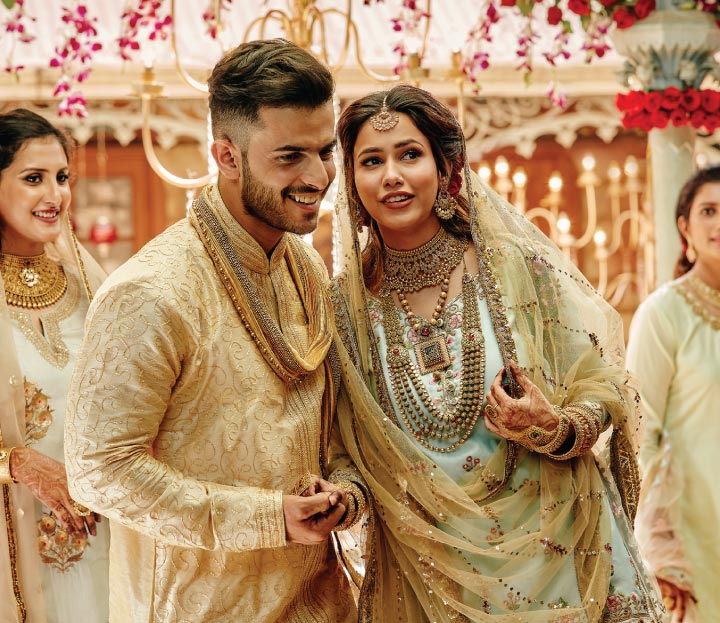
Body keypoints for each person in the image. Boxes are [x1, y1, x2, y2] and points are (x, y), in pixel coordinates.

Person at [328, 84, 664, 622]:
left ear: (446, 168)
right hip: (432, 571)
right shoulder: (342, 311)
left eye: (410, 154)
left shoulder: (512, 268)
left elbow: (604, 383)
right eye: (371, 161)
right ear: (351, 181)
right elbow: (344, 444)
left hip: (559, 549)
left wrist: (555, 424)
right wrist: (344, 496)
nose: (391, 174)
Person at [63, 39, 366, 622]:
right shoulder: (150, 292)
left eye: (324, 151)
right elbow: (99, 471)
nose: (319, 176)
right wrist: (265, 518)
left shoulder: (302, 267)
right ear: (225, 156)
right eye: (289, 157)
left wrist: (343, 493)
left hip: (321, 603)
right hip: (199, 608)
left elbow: (330, 425)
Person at [0, 109, 108, 623]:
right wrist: (14, 462)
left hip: (102, 537)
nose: (55, 195)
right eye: (33, 179)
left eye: (62, 177)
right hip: (12, 545)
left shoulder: (89, 287)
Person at [626, 165, 720, 623]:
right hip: (694, 538)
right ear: (684, 226)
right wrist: (657, 554)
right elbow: (640, 438)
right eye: (709, 210)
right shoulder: (661, 315)